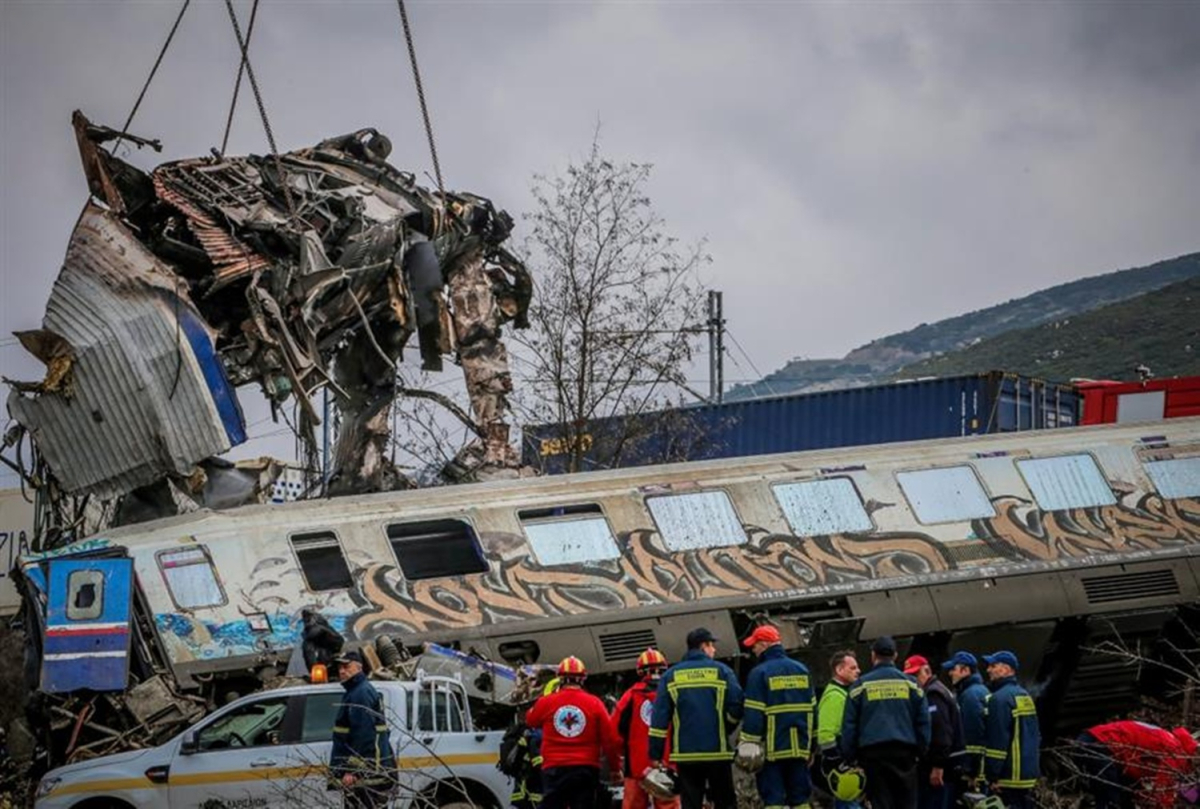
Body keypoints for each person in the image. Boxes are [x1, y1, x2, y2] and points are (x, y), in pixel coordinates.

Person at [648, 627, 744, 809]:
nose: (714, 650)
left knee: (691, 803)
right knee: (725, 802)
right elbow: (737, 705)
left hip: (686, 755)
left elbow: (659, 720)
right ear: (703, 646)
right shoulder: (722, 672)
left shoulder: (670, 676)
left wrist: (655, 754)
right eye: (712, 646)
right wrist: (726, 727)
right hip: (718, 752)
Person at [840, 636, 930, 809]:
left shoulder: (860, 686)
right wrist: (921, 751)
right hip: (905, 755)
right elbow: (923, 722)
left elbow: (849, 726)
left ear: (873, 656)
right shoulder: (912, 685)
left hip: (873, 757)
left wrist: (850, 757)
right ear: (895, 656)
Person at [526, 656, 620, 809]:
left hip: (554, 768)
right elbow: (609, 739)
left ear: (560, 679)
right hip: (585, 769)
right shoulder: (595, 703)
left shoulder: (546, 702)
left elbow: (531, 720)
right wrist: (615, 769)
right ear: (582, 679)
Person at [741, 625, 815, 809]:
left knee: (773, 799)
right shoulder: (802, 670)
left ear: (764, 644)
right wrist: (812, 746)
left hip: (770, 752)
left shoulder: (759, 673)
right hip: (799, 749)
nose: (753, 650)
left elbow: (754, 715)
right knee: (801, 799)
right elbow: (813, 712)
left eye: (755, 645)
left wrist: (747, 747)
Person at [1073, 720, 1198, 808]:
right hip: (1100, 744)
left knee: (1124, 796)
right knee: (1111, 799)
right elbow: (1165, 789)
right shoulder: (1176, 750)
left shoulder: (1166, 739)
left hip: (1091, 740)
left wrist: (1141, 794)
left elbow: (1134, 774)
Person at [613, 649, 680, 809]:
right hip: (668, 764)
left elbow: (615, 731)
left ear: (640, 671)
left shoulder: (630, 696)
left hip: (636, 767)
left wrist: (620, 756)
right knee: (669, 804)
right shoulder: (674, 693)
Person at [330, 650, 396, 809]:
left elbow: (364, 734)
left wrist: (354, 770)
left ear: (358, 668)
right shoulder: (355, 691)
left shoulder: (360, 693)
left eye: (346, 666)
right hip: (367, 773)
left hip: (366, 775)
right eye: (340, 667)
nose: (341, 671)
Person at [903, 655, 964, 809]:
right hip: (946, 764)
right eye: (909, 676)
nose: (913, 680)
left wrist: (938, 766)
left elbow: (940, 732)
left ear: (927, 671)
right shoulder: (940, 690)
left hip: (939, 769)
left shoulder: (932, 694)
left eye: (916, 675)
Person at [981, 651, 1039, 809]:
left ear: (1006, 669)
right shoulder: (1024, 695)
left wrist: (992, 776)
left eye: (993, 666)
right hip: (1027, 774)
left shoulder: (998, 699)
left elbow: (997, 742)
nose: (988, 670)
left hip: (1008, 776)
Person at [814, 650, 862, 809]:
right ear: (839, 670)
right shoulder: (834, 696)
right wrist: (837, 761)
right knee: (847, 802)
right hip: (841, 765)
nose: (858, 671)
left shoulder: (843, 692)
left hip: (844, 762)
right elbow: (826, 734)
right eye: (853, 668)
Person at [942, 651, 988, 798]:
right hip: (982, 766)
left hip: (974, 771)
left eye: (954, 669)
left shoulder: (970, 697)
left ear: (965, 670)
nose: (950, 673)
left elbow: (972, 736)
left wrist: (969, 772)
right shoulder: (980, 691)